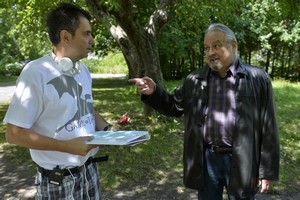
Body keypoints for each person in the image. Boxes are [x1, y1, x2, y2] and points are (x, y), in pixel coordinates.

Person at [129, 23, 280, 200]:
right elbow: (174, 106)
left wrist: (267, 171)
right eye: (207, 48)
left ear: (233, 45)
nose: (210, 53)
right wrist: (154, 92)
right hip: (208, 160)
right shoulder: (194, 80)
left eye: (216, 45)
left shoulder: (257, 78)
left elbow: (268, 125)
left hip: (242, 159)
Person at [3, 3, 116, 199]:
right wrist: (67, 147)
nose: (92, 40)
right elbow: (13, 134)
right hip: (58, 180)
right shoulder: (35, 73)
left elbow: (85, 107)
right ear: (65, 36)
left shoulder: (83, 70)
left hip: (90, 171)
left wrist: (107, 129)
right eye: (86, 34)